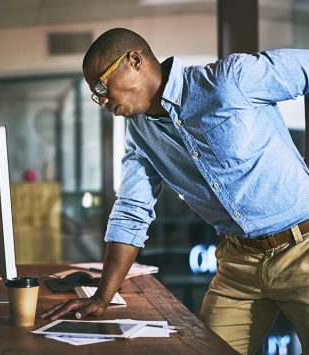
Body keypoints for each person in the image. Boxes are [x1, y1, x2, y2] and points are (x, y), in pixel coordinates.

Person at [41, 28, 309, 354]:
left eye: (101, 85)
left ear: (135, 60)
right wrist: (102, 296)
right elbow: (131, 209)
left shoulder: (228, 80)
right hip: (239, 264)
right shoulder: (139, 134)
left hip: (302, 249)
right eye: (94, 94)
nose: (101, 101)